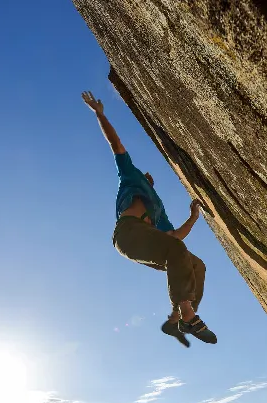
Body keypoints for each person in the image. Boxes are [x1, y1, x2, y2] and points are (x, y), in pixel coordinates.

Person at [81, 90, 217, 346]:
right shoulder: (130, 176)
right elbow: (116, 146)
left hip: (148, 241)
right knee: (177, 249)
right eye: (147, 178)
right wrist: (100, 114)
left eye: (151, 181)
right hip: (128, 235)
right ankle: (187, 314)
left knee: (196, 264)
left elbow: (174, 237)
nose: (149, 180)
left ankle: (178, 317)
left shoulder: (158, 211)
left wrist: (194, 216)